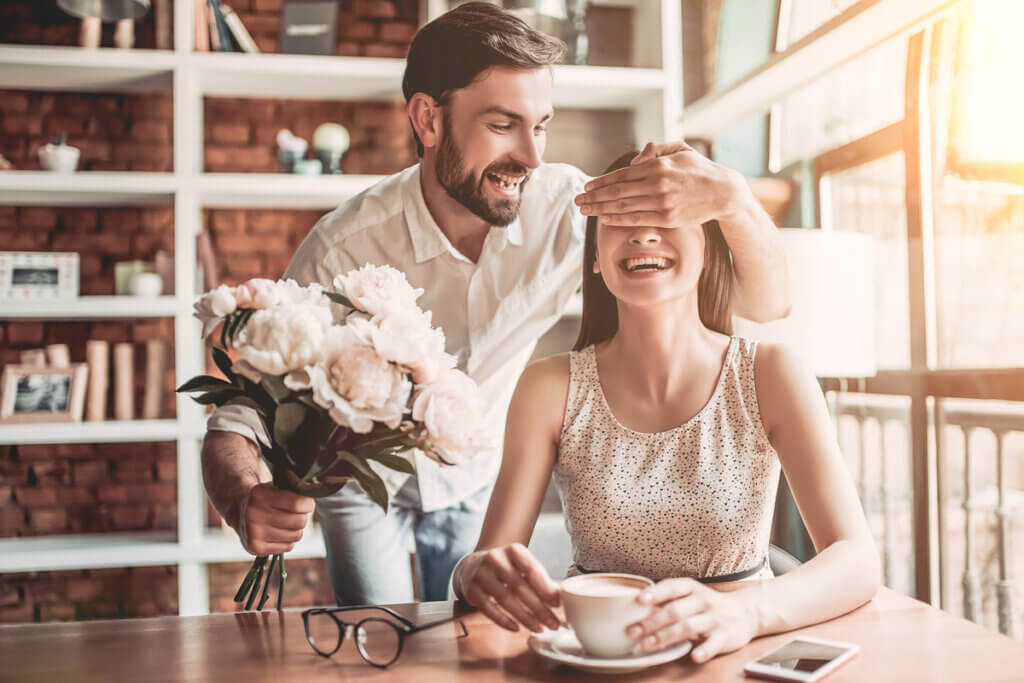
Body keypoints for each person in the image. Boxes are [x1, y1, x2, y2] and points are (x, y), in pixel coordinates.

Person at [200, 3, 790, 606]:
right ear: (428, 120)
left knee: (467, 629)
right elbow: (237, 420)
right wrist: (243, 499)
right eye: (504, 125)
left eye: (541, 126)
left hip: (477, 471)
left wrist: (734, 201)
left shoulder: (568, 209)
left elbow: (769, 304)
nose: (531, 158)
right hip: (361, 481)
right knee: (375, 634)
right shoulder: (342, 248)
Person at [451, 150, 879, 661]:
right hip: (598, 660)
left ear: (709, 248)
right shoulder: (549, 385)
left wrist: (746, 613)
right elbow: (490, 561)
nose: (643, 234)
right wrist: (470, 573)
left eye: (665, 215)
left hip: (735, 657)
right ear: (594, 255)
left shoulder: (771, 373)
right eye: (622, 217)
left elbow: (857, 560)